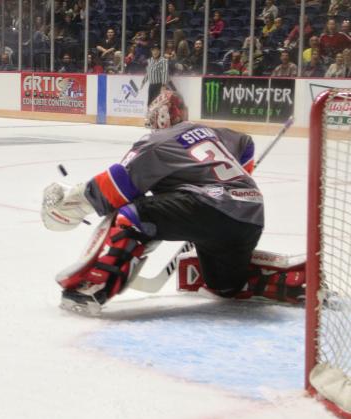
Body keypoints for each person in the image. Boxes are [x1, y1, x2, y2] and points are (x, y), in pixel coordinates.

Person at [40, 89, 285, 314]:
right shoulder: (211, 132)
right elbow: (246, 143)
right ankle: (262, 281)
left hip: (207, 208)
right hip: (250, 215)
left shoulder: (157, 142)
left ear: (161, 117)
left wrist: (73, 202)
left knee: (130, 216)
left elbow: (116, 187)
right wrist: (238, 180)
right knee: (222, 286)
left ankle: (90, 291)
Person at [140, 44, 169, 112]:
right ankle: (149, 119)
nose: (155, 52)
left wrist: (164, 85)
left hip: (159, 85)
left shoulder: (163, 61)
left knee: (158, 104)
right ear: (151, 51)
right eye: (153, 50)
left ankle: (157, 120)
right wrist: (143, 81)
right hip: (151, 85)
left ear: (159, 51)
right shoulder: (150, 60)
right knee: (150, 103)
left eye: (156, 50)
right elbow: (148, 72)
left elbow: (165, 73)